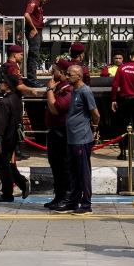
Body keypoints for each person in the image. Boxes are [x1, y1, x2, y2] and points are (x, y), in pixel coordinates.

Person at [50, 65, 100, 215]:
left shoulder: (85, 91)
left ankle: (86, 204)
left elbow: (95, 114)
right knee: (73, 172)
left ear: (79, 76)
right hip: (71, 138)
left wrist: (94, 129)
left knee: (83, 172)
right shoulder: (75, 91)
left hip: (81, 138)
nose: (68, 76)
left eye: (71, 74)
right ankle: (73, 201)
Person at [0, 73, 30, 203]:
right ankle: (21, 182)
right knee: (7, 163)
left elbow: (1, 124)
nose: (0, 84)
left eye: (2, 82)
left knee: (2, 164)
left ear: (7, 85)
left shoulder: (4, 102)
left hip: (5, 139)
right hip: (13, 137)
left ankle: (8, 192)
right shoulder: (15, 98)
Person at [43, 60, 73, 209]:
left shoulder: (68, 89)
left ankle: (66, 197)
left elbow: (56, 108)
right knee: (55, 165)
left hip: (63, 132)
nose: (51, 73)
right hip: (54, 132)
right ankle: (58, 196)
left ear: (61, 72)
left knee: (64, 165)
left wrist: (49, 90)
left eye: (54, 70)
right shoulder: (58, 88)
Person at [112, 51, 134, 160]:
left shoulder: (121, 69)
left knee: (122, 127)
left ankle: (122, 152)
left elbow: (115, 85)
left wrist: (113, 99)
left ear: (130, 57)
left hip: (124, 99)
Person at [24, 0, 52, 87]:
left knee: (33, 55)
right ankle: (32, 81)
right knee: (34, 55)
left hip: (37, 30)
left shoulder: (39, 4)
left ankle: (31, 79)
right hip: (34, 31)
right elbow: (26, 15)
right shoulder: (34, 2)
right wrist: (33, 28)